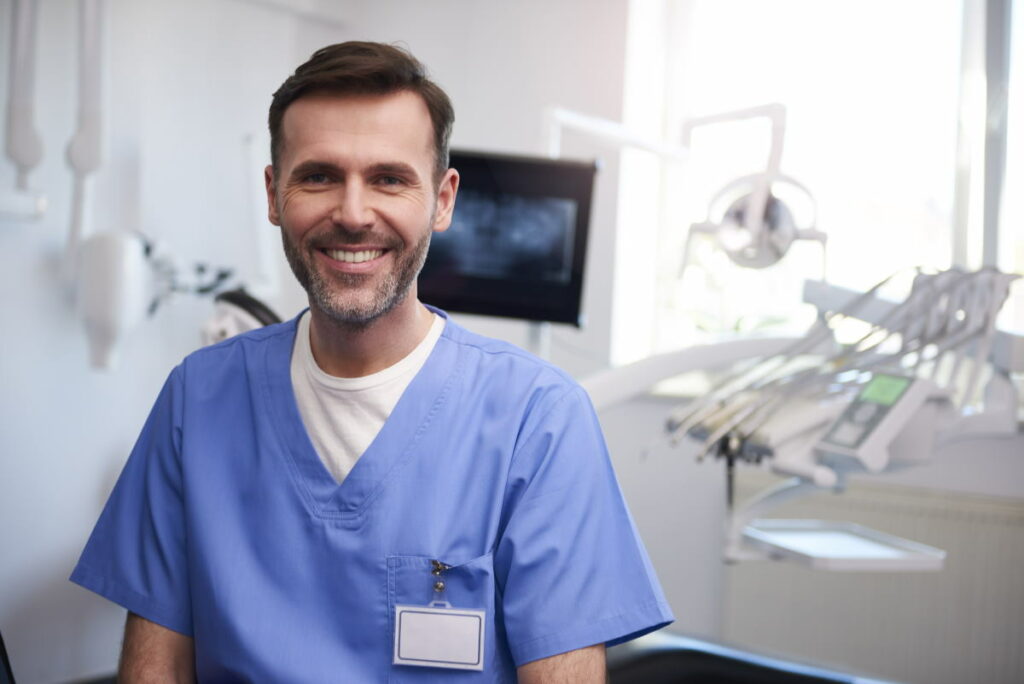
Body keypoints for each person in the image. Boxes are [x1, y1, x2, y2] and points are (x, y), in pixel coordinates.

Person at [71, 41, 672, 682]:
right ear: (274, 195)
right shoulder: (199, 397)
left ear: (442, 200)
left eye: (389, 178)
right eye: (320, 176)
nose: (353, 215)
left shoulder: (539, 420)